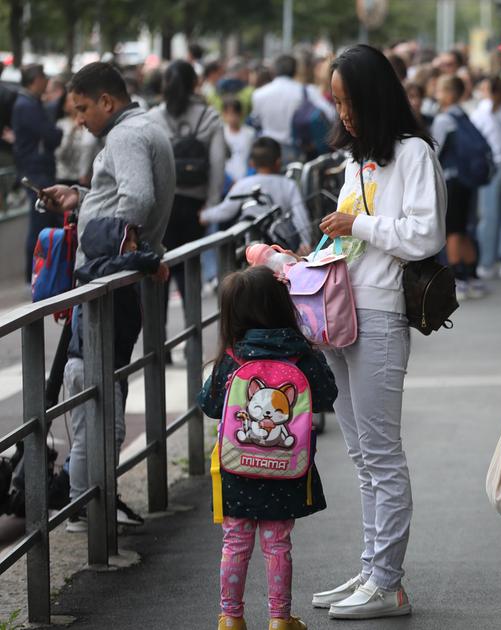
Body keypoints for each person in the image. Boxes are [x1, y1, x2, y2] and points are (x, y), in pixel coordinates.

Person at [310, 44, 446, 621]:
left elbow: (426, 235)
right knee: (364, 456)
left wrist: (355, 222)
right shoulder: (358, 160)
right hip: (342, 312)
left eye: (348, 101)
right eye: (336, 102)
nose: (343, 113)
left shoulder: (413, 154)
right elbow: (352, 241)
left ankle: (387, 580)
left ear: (374, 97)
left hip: (382, 312)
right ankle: (373, 569)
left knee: (381, 454)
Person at [198, 266, 337, 630]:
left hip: (237, 467)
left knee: (235, 542)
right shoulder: (300, 354)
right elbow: (326, 396)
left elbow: (210, 405)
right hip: (286, 469)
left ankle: (231, 616)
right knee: (278, 544)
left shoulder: (232, 356)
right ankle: (279, 618)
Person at [62, 218, 170, 532]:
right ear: (112, 247)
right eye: (129, 241)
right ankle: (88, 505)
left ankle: (85, 504)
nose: (136, 246)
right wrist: (147, 261)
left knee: (93, 435)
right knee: (107, 433)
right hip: (90, 365)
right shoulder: (97, 271)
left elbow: (143, 252)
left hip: (95, 363)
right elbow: (129, 259)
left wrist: (146, 256)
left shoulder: (117, 268)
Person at [40, 61, 175, 269]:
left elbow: (137, 199)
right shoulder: (143, 126)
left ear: (106, 102)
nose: (79, 120)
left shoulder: (126, 134)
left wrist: (124, 252)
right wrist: (80, 198)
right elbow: (122, 196)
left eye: (82, 109)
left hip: (112, 281)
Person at [152, 60, 226, 318]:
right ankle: (192, 337)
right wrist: (212, 204)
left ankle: (159, 347)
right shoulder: (209, 117)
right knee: (189, 271)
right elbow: (218, 163)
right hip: (195, 205)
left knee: (157, 271)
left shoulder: (153, 117)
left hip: (160, 207)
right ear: (195, 83)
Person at [200, 137, 313, 253]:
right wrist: (305, 242)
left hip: (251, 249)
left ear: (252, 164)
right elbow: (300, 216)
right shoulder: (289, 185)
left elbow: (225, 211)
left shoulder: (243, 184)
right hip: (281, 246)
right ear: (279, 161)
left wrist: (204, 215)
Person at [430, 75, 486, 301]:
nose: (437, 94)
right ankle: (473, 277)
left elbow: (433, 151)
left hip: (450, 181)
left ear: (450, 94)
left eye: (441, 90)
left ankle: (458, 279)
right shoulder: (463, 116)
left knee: (451, 231)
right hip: (465, 182)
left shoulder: (444, 120)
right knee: (462, 230)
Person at [13, 63, 63, 282]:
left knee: (46, 224)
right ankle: (33, 276)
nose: (47, 82)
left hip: (38, 170)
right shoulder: (27, 105)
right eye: (44, 77)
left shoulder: (30, 103)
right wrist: (57, 131)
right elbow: (51, 135)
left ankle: (45, 274)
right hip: (36, 173)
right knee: (40, 226)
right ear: (36, 80)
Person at [471, 76, 501, 279]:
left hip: (492, 167)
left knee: (490, 216)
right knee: (499, 213)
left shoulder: (484, 110)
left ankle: (487, 262)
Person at [251, 54, 335, 164]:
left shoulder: (258, 94)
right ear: (295, 70)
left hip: (266, 150)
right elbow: (331, 113)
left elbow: (256, 121)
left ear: (274, 70)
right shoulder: (305, 91)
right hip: (294, 151)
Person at [53, 87, 98, 188]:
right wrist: (72, 130)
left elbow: (94, 148)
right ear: (65, 106)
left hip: (88, 179)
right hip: (65, 177)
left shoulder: (91, 123)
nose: (76, 103)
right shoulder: (61, 125)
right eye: (72, 100)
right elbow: (60, 154)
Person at [222, 98, 256, 183]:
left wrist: (249, 175)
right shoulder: (221, 133)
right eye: (228, 114)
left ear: (240, 114)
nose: (232, 117)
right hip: (226, 179)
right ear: (223, 114)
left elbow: (252, 159)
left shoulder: (250, 133)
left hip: (245, 177)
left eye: (234, 113)